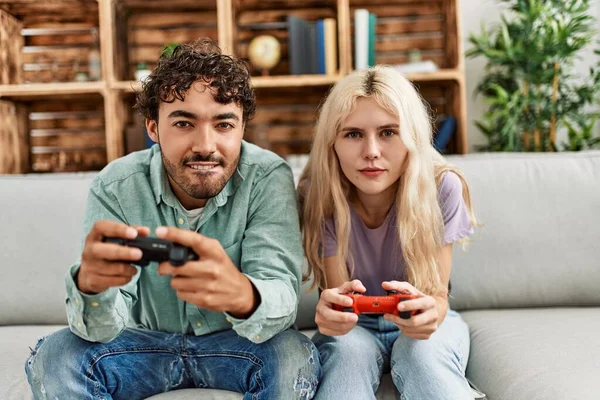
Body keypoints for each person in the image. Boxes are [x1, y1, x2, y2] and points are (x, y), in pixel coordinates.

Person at [25, 38, 320, 400]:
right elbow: (100, 329)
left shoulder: (266, 176)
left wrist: (243, 296)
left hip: (239, 346)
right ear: (153, 128)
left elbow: (280, 294)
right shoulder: (115, 186)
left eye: (224, 124)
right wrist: (91, 287)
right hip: (143, 345)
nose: (205, 145)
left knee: (292, 355)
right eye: (184, 123)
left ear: (242, 128)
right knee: (56, 356)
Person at [298, 65, 477, 399]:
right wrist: (330, 315)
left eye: (388, 132)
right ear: (332, 142)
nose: (371, 152)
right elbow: (339, 297)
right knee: (348, 356)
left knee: (423, 355)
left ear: (411, 137)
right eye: (353, 134)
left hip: (422, 322)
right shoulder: (318, 192)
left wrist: (430, 314)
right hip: (356, 327)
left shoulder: (443, 186)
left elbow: (436, 295)